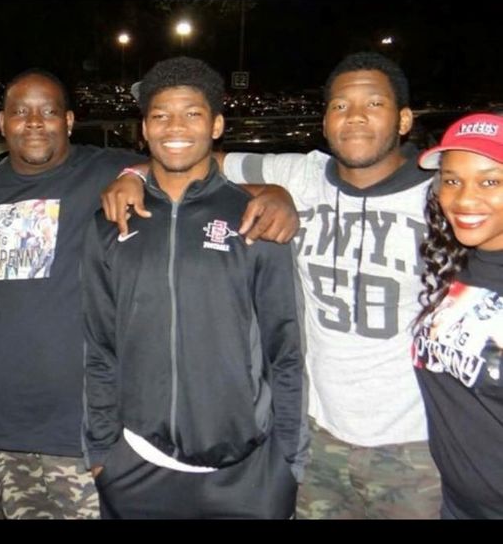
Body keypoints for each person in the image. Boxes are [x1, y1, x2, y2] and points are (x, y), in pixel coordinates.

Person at [104, 51, 443, 519]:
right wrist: (128, 175)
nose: (356, 117)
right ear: (324, 120)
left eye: (374, 104)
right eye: (340, 106)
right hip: (319, 434)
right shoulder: (300, 175)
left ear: (404, 118)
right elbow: (192, 154)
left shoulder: (443, 195)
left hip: (416, 445)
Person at [0, 68, 299, 520]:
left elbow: (179, 172)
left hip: (90, 429)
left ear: (70, 120)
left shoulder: (102, 171)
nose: (34, 122)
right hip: (11, 425)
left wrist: (274, 193)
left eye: (49, 111)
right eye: (20, 112)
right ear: (1, 123)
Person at [81, 57, 306, 519]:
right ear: (144, 129)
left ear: (217, 124)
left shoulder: (255, 220)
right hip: (136, 468)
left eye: (193, 113)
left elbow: (286, 349)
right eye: (161, 115)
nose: (175, 127)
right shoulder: (110, 226)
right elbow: (99, 346)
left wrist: (288, 462)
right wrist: (102, 453)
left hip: (247, 475)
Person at [414, 113, 503, 519]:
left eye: (490, 181)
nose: (464, 199)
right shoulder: (454, 265)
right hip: (457, 503)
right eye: (452, 180)